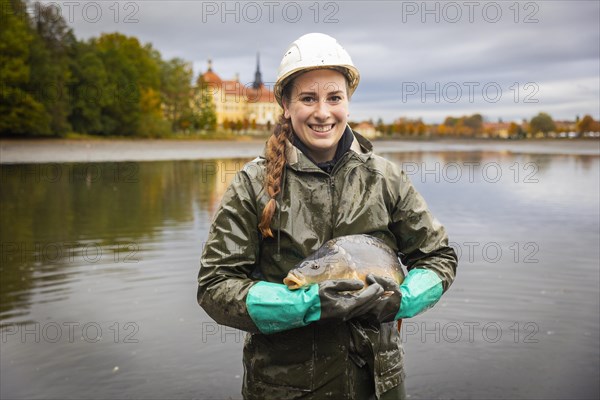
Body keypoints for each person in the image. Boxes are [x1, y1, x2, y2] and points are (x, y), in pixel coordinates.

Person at [197, 33, 458, 400]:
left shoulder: (386, 178)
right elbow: (214, 286)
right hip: (283, 390)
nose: (323, 112)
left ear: (347, 103)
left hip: (379, 387)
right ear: (286, 105)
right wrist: (303, 305)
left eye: (334, 97)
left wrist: (404, 299)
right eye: (308, 98)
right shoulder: (250, 184)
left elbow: (439, 257)